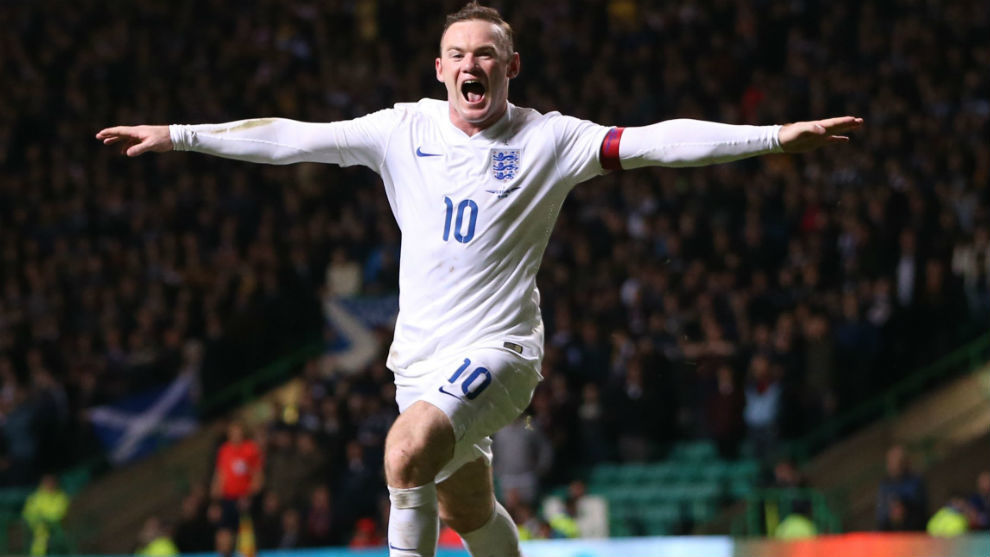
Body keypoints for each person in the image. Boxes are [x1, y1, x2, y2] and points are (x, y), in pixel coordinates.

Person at [95, 3, 862, 555]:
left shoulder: (551, 138)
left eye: (487, 53)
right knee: (467, 507)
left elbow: (660, 143)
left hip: (500, 350)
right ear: (439, 69)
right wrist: (178, 134)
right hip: (418, 360)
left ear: (510, 66)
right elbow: (293, 138)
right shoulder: (402, 129)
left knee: (404, 454)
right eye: (459, 53)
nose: (472, 64)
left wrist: (773, 137)